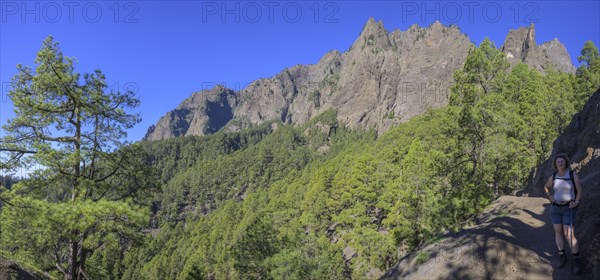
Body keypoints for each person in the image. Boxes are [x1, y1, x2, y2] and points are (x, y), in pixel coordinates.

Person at [544, 153, 583, 274]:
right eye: (558, 162)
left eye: (562, 161)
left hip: (568, 208)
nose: (560, 163)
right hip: (555, 208)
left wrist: (576, 202)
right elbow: (546, 187)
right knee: (558, 232)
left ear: (566, 162)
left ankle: (577, 260)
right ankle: (562, 256)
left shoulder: (572, 174)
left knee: (569, 235)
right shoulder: (554, 175)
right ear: (555, 164)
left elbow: (579, 189)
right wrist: (550, 196)